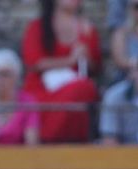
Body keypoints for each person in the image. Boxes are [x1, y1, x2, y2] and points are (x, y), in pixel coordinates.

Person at [20, 0, 100, 143]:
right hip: (42, 90)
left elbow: (95, 67)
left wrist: (85, 52)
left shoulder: (87, 28)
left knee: (85, 89)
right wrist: (70, 60)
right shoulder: (37, 27)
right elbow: (34, 63)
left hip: (75, 91)